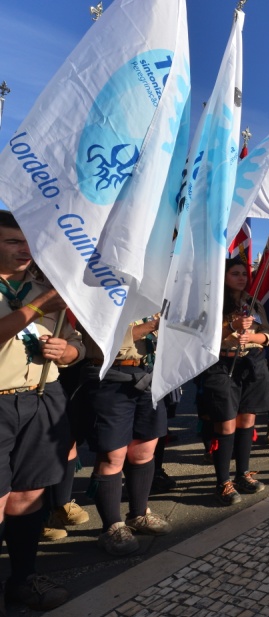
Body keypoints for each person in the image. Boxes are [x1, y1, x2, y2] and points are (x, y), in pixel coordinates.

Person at [0, 210, 83, 610]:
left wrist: (68, 351)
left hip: (41, 396)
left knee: (28, 496)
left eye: (27, 240)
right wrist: (38, 307)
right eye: (13, 241)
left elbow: (76, 343)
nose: (25, 249)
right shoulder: (41, 296)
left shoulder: (42, 287)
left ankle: (21, 578)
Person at [81, 315, 171, 555]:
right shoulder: (103, 290)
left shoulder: (148, 296)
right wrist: (153, 326)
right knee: (112, 456)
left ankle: (138, 514)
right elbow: (104, 336)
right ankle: (111, 527)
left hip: (146, 374)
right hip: (110, 376)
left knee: (143, 452)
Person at [196, 258, 269, 506]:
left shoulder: (253, 303)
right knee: (226, 425)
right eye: (235, 273)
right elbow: (204, 336)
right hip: (222, 365)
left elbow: (268, 334)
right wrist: (231, 326)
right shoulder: (212, 302)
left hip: (251, 364)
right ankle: (222, 482)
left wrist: (253, 335)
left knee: (247, 420)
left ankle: (242, 474)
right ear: (224, 276)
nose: (242, 277)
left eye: (244, 273)